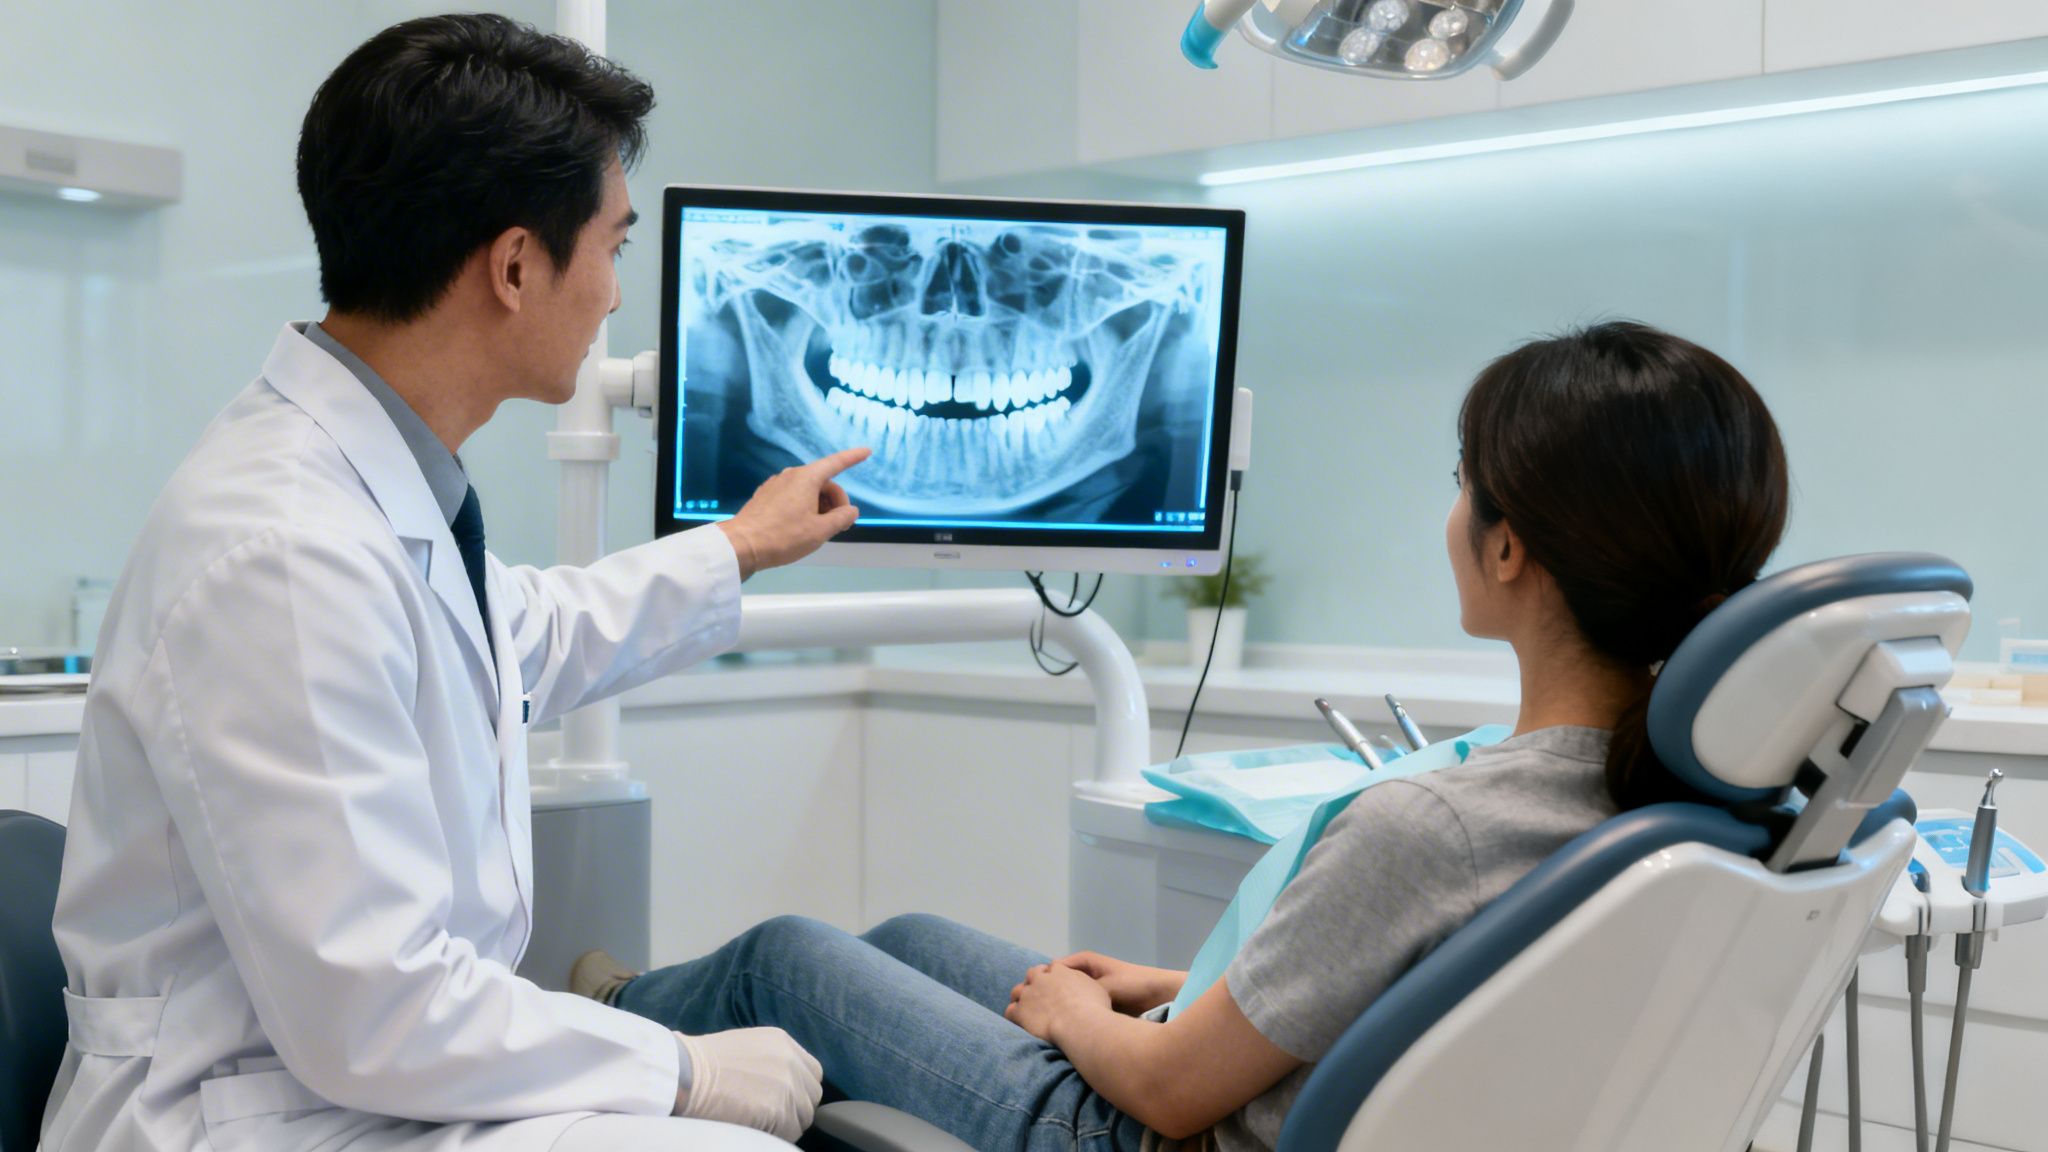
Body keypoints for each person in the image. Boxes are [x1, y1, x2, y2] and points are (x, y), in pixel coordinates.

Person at [573, 320, 1793, 1152]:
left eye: (1464, 480)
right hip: (1247, 1090)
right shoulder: (1687, 801)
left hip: (1140, 1132)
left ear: (1509, 546)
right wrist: (1179, 988)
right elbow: (1448, 996)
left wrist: (1073, 1020)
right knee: (901, 939)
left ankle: (594, 1023)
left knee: (790, 955)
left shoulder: (1436, 823)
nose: (1454, 509)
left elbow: (1161, 1091)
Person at [42, 15, 860, 1152]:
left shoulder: (367, 492)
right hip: (253, 1112)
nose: (619, 296)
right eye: (615, 247)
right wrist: (679, 1069)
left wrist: (739, 546)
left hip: (348, 1077)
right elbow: (374, 1010)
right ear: (517, 266)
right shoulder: (285, 550)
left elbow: (521, 632)